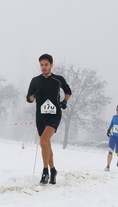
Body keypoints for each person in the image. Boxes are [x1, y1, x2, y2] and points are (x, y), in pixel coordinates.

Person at [26, 54, 72, 185]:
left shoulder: (58, 79)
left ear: (51, 65)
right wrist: (35, 95)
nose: (44, 67)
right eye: (41, 65)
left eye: (46, 64)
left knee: (44, 141)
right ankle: (53, 170)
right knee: (46, 144)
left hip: (54, 115)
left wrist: (65, 101)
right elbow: (28, 99)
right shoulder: (35, 81)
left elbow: (68, 91)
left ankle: (45, 171)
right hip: (40, 116)